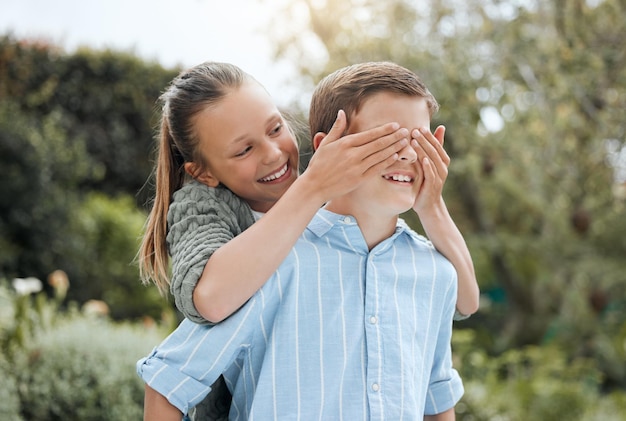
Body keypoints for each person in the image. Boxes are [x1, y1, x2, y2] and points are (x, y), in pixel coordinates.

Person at [138, 61, 471, 420]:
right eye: (383, 141)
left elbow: (455, 322)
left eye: (276, 128)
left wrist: (431, 203)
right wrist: (314, 185)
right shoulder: (250, 249)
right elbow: (186, 347)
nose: (273, 154)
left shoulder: (429, 270)